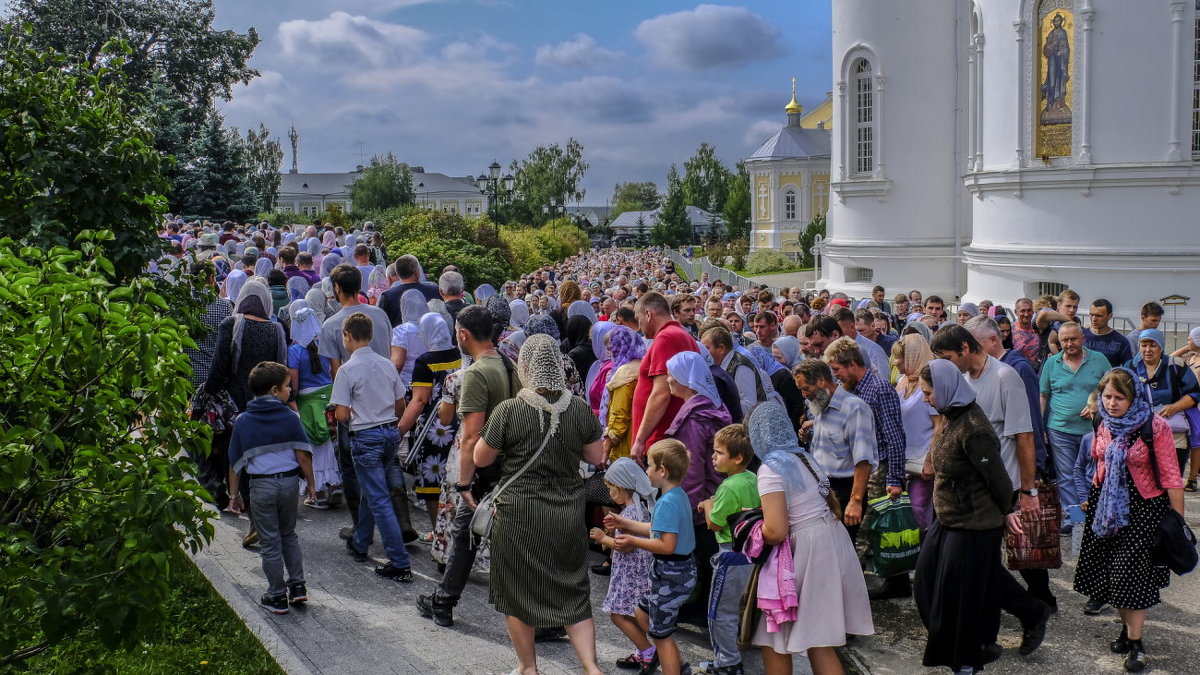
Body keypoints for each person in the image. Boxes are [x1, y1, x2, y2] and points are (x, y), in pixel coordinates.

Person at [471, 333, 605, 675]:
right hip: (567, 511)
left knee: (517, 591)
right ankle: (591, 667)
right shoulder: (576, 407)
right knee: (573, 590)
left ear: (526, 367)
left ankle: (528, 667)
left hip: (519, 513)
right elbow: (596, 455)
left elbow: (481, 458)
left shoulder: (510, 409)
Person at [745, 401, 874, 675]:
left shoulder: (770, 468)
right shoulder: (803, 457)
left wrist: (750, 528)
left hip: (807, 552)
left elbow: (776, 531)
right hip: (830, 540)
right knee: (819, 641)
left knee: (774, 636)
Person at [913, 359, 1021, 675]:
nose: (925, 399)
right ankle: (966, 650)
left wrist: (1007, 512)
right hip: (949, 519)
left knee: (963, 599)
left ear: (945, 390)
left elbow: (998, 479)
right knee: (926, 583)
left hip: (974, 525)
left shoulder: (975, 429)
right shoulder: (952, 417)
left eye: (928, 392)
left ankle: (968, 661)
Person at [1073, 368, 1184, 673]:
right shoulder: (1102, 422)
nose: (1112, 403)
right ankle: (1126, 631)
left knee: (1129, 576)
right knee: (1112, 576)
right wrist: (1090, 495)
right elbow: (1098, 461)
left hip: (1143, 511)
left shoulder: (1155, 426)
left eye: (1119, 397)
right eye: (1107, 396)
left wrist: (1178, 524)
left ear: (1133, 397)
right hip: (1105, 509)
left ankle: (1136, 643)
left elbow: (1172, 476)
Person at [418, 305, 521, 628]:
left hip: (483, 469)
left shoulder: (476, 373)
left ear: (463, 334)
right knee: (504, 541)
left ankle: (444, 602)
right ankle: (443, 600)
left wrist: (463, 484)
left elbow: (472, 433)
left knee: (464, 535)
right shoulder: (510, 365)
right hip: (510, 464)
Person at [821, 336, 909, 598]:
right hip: (859, 468)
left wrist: (894, 478)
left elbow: (895, 437)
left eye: (837, 370)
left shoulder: (880, 389)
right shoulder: (851, 389)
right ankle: (894, 584)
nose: (835, 376)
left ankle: (853, 593)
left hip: (878, 469)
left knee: (864, 532)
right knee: (871, 529)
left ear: (851, 364)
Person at [227, 362, 316, 614]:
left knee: (269, 542)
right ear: (275, 390)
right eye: (288, 386)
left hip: (261, 486)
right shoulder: (290, 417)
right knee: (289, 535)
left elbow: (234, 463)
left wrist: (233, 495)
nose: (291, 390)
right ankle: (298, 587)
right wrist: (311, 484)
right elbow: (303, 456)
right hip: (289, 484)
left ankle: (276, 595)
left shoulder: (243, 421)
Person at [332, 312, 414, 582]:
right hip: (390, 432)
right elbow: (400, 404)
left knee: (378, 498)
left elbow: (342, 415)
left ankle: (399, 561)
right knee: (373, 490)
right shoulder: (387, 364)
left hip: (365, 435)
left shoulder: (347, 370)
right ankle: (360, 541)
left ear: (347, 336)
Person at [609, 439, 698, 675]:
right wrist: (624, 522)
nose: (646, 471)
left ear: (662, 471)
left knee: (662, 635)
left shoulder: (668, 502)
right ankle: (673, 660)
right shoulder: (676, 495)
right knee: (643, 613)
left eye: (649, 466)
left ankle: (673, 664)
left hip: (671, 574)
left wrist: (632, 540)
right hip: (670, 574)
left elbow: (666, 545)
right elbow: (657, 528)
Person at [664, 350, 732, 624]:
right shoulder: (712, 405)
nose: (668, 379)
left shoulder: (694, 416)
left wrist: (685, 511)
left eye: (672, 375)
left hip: (700, 504)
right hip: (715, 497)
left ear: (685, 380)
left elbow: (690, 468)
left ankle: (696, 612)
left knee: (699, 561)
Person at [695, 425, 761, 675]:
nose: (713, 456)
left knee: (719, 612)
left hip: (729, 554)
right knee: (732, 609)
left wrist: (707, 503)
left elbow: (715, 523)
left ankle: (728, 663)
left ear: (738, 458)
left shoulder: (728, 487)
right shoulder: (752, 478)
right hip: (749, 553)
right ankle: (727, 659)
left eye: (719, 452)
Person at [792, 357, 877, 541]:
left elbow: (863, 461)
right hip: (825, 489)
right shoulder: (821, 404)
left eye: (806, 388)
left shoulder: (854, 409)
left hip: (846, 488)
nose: (804, 395)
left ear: (821, 381)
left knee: (847, 550)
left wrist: (855, 501)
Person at [396, 313, 462, 535]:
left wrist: (400, 430)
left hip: (432, 431)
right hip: (458, 425)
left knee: (432, 482)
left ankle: (438, 532)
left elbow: (420, 400)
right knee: (454, 478)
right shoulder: (461, 354)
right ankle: (456, 529)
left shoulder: (425, 361)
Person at [589, 458, 657, 672]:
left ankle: (648, 651)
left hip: (629, 575)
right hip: (636, 573)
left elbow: (625, 546)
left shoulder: (629, 513)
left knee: (618, 615)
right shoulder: (639, 510)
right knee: (631, 614)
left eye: (610, 489)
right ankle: (641, 652)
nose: (609, 494)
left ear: (620, 488)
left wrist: (603, 538)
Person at [1040, 322, 1111, 520]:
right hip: (1060, 429)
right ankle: (1075, 519)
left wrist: (1097, 402)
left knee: (1095, 474)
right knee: (1066, 476)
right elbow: (1043, 396)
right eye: (1065, 340)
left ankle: (1096, 516)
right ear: (1059, 341)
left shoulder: (1099, 360)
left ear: (1083, 339)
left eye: (1073, 339)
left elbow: (1112, 388)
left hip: (1094, 431)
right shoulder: (1051, 363)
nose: (1069, 343)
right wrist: (1040, 427)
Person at [285, 300, 341, 509]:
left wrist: (293, 404)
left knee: (312, 449)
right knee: (329, 446)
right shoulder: (326, 344)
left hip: (307, 402)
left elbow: (295, 384)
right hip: (328, 398)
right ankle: (334, 484)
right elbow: (335, 372)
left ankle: (317, 490)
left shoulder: (295, 351)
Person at [631, 292, 699, 462]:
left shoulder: (666, 338)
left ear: (648, 314)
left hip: (661, 439)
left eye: (639, 319)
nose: (639, 327)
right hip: (671, 435)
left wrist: (640, 440)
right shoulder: (681, 334)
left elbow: (661, 393)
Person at [1124, 328, 1200, 480]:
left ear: (1161, 347)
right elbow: (1120, 393)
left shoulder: (1175, 365)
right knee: (1145, 480)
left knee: (1172, 480)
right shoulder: (1130, 367)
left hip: (1173, 432)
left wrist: (1174, 407)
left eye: (1153, 345)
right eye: (1143, 345)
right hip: (1140, 431)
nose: (1148, 350)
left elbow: (1194, 393)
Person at [892, 334, 940, 531]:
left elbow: (939, 426)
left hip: (922, 460)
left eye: (900, 357)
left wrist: (930, 460)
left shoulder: (929, 384)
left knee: (918, 509)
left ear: (913, 356)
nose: (896, 362)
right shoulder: (903, 380)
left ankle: (922, 555)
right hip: (902, 459)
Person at [602, 325, 647, 463]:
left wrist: (605, 450)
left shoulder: (625, 373)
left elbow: (619, 416)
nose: (608, 354)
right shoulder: (643, 365)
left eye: (610, 349)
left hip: (625, 450)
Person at [1084, 299, 1134, 368]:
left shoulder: (1121, 341)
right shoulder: (1081, 336)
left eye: (1099, 316)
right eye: (1091, 315)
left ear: (1109, 316)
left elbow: (1128, 368)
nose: (1094, 319)